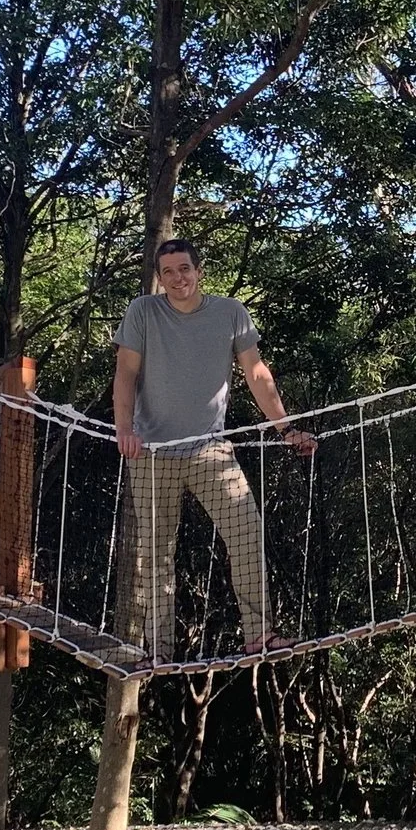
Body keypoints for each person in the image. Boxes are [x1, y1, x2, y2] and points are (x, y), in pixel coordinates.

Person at [113, 236, 314, 658]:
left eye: (184, 269)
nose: (177, 278)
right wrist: (124, 429)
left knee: (246, 534)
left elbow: (257, 374)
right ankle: (160, 651)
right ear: (159, 277)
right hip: (150, 453)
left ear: (199, 271)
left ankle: (259, 635)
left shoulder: (230, 313)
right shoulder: (143, 311)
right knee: (155, 555)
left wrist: (286, 430)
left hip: (210, 451)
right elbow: (126, 374)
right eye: (167, 272)